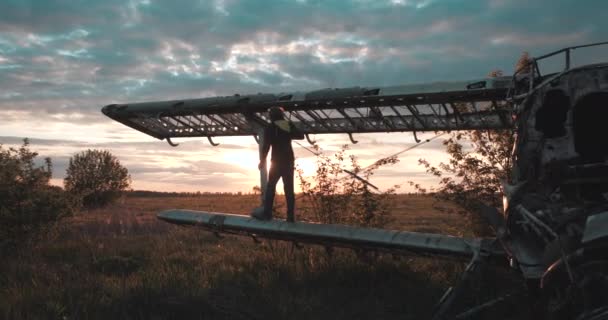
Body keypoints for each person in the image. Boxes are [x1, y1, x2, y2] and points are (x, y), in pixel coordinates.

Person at [252, 106, 304, 222]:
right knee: (289, 189)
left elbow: (266, 146)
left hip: (275, 162)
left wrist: (262, 161)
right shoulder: (287, 125)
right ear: (281, 115)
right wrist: (288, 130)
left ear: (271, 116)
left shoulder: (269, 128)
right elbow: (301, 135)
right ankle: (290, 217)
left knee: (271, 188)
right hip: (289, 162)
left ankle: (267, 214)